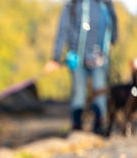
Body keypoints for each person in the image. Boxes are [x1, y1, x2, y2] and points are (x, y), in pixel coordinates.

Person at [45, 0, 118, 134]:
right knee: (79, 93)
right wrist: (55, 58)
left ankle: (99, 125)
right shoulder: (72, 4)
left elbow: (113, 21)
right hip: (77, 57)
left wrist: (113, 40)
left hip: (100, 56)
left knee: (100, 92)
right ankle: (76, 126)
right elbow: (62, 29)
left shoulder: (105, 3)